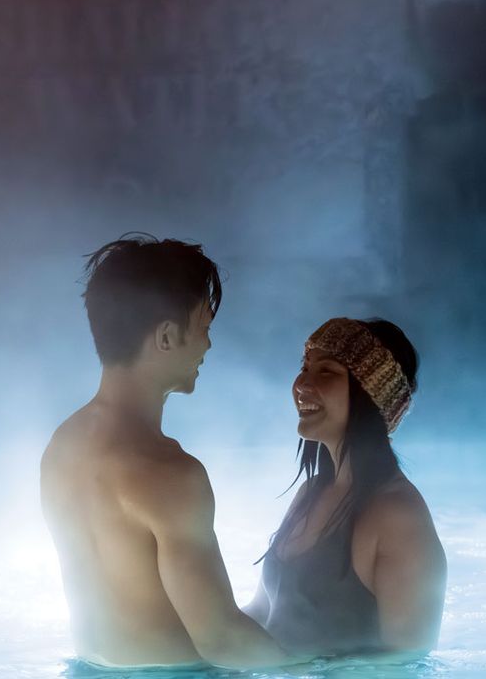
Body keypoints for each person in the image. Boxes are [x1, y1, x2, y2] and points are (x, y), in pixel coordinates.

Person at [40, 235, 289, 669]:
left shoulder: (62, 445)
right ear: (168, 337)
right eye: (204, 328)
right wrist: (312, 672)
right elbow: (223, 640)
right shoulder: (168, 473)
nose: (208, 345)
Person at [244, 317, 447, 658]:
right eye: (304, 367)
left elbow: (406, 662)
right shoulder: (310, 493)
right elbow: (262, 614)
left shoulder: (398, 516)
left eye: (326, 371)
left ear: (371, 396)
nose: (301, 384)